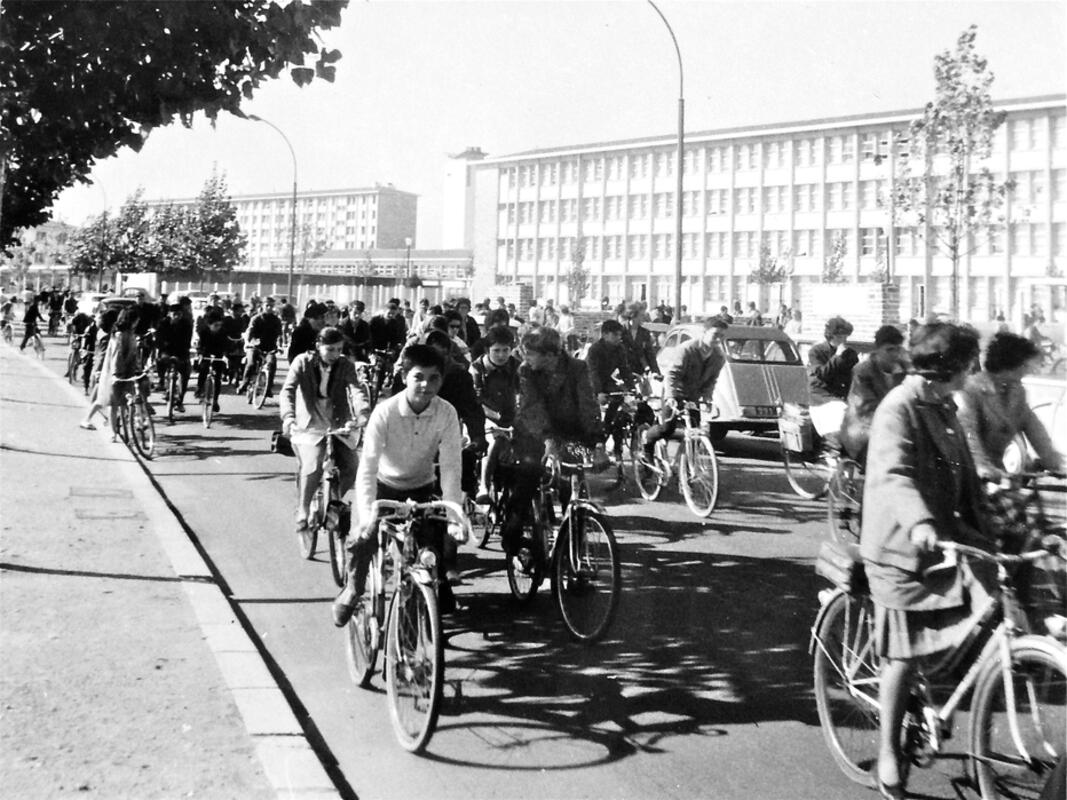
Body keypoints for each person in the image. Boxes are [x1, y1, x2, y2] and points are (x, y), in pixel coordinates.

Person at [859, 321, 993, 798]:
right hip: (900, 545)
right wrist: (919, 522)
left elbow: (962, 472)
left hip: (942, 540)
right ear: (951, 365)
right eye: (968, 362)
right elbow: (893, 474)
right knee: (902, 653)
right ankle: (889, 752)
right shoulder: (901, 405)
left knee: (988, 606)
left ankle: (963, 722)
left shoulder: (944, 404)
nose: (973, 370)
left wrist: (992, 496)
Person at [332, 344, 462, 625]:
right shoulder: (385, 412)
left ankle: (431, 592)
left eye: (434, 378)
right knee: (362, 539)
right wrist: (367, 516)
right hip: (383, 487)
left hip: (421, 489)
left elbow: (451, 467)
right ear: (405, 376)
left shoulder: (447, 413)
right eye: (419, 377)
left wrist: (454, 516)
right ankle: (352, 590)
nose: (426, 385)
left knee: (433, 547)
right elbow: (367, 466)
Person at [499, 327, 604, 558]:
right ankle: (513, 532)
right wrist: (548, 440)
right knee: (528, 474)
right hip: (533, 434)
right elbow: (531, 407)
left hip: (569, 435)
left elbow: (588, 404)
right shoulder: (525, 371)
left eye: (530, 353)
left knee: (573, 485)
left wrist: (597, 442)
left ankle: (574, 550)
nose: (525, 357)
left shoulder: (578, 368)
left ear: (549, 355)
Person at [280, 326, 370, 544]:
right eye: (330, 349)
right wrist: (289, 417)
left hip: (337, 422)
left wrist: (363, 413)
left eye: (339, 349)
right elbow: (288, 390)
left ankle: (333, 502)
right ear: (318, 346)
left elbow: (356, 390)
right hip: (308, 423)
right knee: (313, 463)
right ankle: (303, 510)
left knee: (352, 466)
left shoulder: (345, 365)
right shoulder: (302, 362)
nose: (335, 354)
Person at [956, 331, 1062, 480]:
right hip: (967, 473)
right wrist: (981, 466)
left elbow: (1033, 427)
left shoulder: (1017, 392)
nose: (1029, 371)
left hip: (997, 472)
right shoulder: (971, 390)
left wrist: (1052, 460)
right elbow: (968, 434)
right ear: (1010, 364)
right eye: (1025, 366)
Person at [641, 316, 728, 460]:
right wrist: (670, 397)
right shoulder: (686, 350)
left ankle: (687, 471)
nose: (718, 340)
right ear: (705, 332)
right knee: (667, 429)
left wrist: (707, 396)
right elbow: (672, 375)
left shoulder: (718, 356)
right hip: (675, 393)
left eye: (722, 336)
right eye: (715, 335)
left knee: (694, 433)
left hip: (693, 396)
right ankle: (647, 440)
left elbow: (712, 380)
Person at [840, 325, 908, 463]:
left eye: (898, 349)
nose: (895, 354)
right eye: (890, 350)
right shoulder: (863, 371)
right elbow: (866, 408)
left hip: (896, 428)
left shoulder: (905, 369)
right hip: (862, 430)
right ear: (877, 350)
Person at [470, 325, 520, 503]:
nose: (501, 355)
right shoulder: (477, 369)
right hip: (484, 419)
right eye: (496, 350)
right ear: (487, 350)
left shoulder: (517, 367)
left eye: (505, 350)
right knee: (497, 441)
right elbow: (476, 400)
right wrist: (497, 418)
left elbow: (526, 392)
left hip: (513, 417)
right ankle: (484, 485)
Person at [586, 319, 635, 464]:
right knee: (592, 412)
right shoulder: (594, 349)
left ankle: (609, 429)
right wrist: (599, 392)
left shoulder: (619, 349)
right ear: (605, 334)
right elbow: (592, 372)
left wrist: (631, 388)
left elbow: (624, 369)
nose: (618, 337)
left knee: (619, 400)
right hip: (588, 382)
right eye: (615, 334)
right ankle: (593, 440)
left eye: (620, 334)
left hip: (607, 380)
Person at [238, 297, 283, 396]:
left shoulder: (276, 320)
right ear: (263, 306)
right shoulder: (256, 318)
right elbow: (250, 331)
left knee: (272, 364)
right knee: (251, 364)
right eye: (267, 305)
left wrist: (280, 346)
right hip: (255, 346)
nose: (269, 308)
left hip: (270, 348)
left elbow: (280, 335)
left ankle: (268, 388)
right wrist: (249, 342)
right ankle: (244, 383)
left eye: (271, 306)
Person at [808, 316, 859, 404]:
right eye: (840, 337)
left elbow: (853, 375)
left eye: (845, 337)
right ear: (831, 336)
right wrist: (837, 356)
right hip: (822, 395)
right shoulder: (816, 351)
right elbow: (822, 374)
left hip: (842, 395)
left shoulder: (849, 353)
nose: (843, 341)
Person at [154, 304, 194, 412]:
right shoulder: (163, 323)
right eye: (174, 314)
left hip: (181, 351)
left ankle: (180, 401)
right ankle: (162, 381)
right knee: (159, 362)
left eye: (179, 314)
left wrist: (183, 353)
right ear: (169, 314)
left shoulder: (187, 324)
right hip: (166, 350)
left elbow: (187, 341)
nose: (177, 316)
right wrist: (162, 348)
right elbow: (158, 340)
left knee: (185, 373)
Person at [195, 309, 231, 412]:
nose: (218, 327)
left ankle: (215, 400)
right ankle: (200, 388)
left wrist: (225, 355)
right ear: (209, 325)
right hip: (206, 353)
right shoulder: (203, 332)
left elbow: (226, 345)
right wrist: (201, 354)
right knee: (203, 369)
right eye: (216, 325)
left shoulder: (223, 332)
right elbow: (200, 346)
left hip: (218, 355)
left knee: (218, 377)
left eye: (220, 325)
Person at [618, 302, 659, 376]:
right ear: (633, 316)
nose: (643, 318)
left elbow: (650, 353)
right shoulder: (621, 330)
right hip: (622, 370)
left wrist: (655, 371)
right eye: (641, 315)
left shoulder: (644, 333)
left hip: (639, 371)